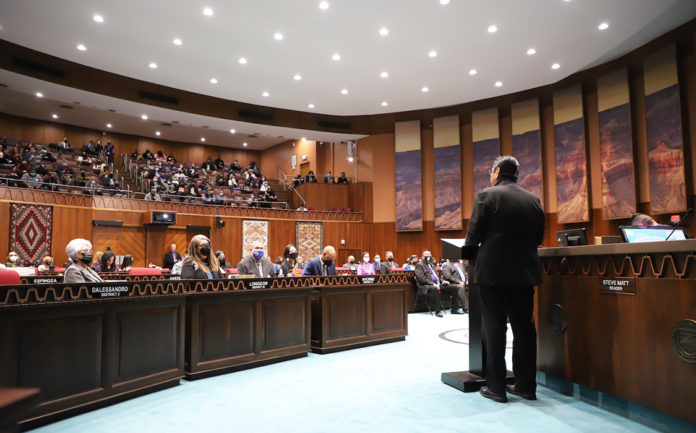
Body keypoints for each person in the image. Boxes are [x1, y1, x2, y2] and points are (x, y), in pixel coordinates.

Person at [464, 155, 545, 403]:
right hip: (524, 274)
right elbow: (539, 238)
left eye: (491, 171)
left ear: (497, 172)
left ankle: (497, 388)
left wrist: (469, 260)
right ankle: (525, 386)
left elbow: (472, 237)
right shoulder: (533, 200)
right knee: (524, 330)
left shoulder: (486, 196)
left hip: (492, 274)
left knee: (495, 329)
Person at [414, 250, 452, 317]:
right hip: (426, 286)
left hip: (437, 284)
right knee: (434, 288)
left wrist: (442, 281)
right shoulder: (419, 265)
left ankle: (455, 308)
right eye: (426, 255)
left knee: (454, 286)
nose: (428, 257)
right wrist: (432, 284)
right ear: (422, 257)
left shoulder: (431, 264)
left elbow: (437, 276)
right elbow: (421, 278)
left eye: (430, 255)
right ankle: (438, 311)